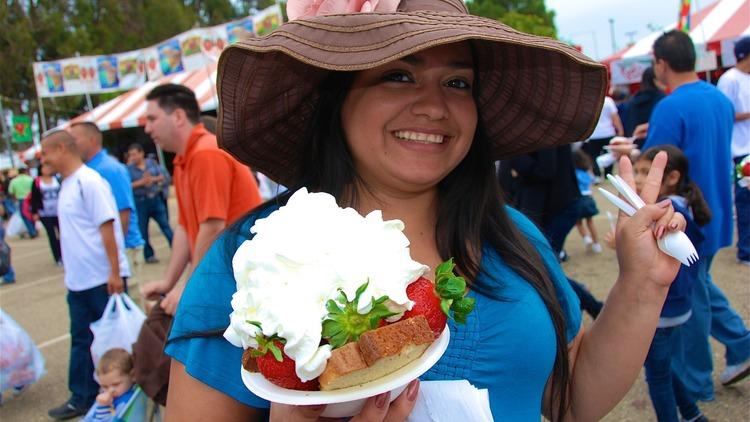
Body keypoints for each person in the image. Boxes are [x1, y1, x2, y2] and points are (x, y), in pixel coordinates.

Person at [164, 1, 690, 420]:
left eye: (458, 83)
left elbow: (569, 402)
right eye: (399, 74)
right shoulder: (254, 262)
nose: (435, 106)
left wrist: (640, 286)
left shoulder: (516, 238)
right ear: (336, 97)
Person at [636, 30, 750, 399]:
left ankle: (698, 382)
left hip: (681, 220)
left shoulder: (670, 106)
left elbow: (656, 168)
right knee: (701, 285)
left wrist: (631, 149)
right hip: (714, 211)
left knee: (693, 300)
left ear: (661, 64)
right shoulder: (718, 97)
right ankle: (743, 344)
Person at [606, 146, 710, 422]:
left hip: (661, 311)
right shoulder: (680, 203)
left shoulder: (669, 209)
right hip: (678, 308)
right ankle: (692, 413)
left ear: (673, 177)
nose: (638, 179)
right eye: (636, 171)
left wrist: (670, 222)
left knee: (658, 375)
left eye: (645, 172)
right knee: (663, 365)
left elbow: (674, 226)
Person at [139, 84, 262, 315]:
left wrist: (188, 287)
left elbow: (212, 226)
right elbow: (185, 229)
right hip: (223, 272)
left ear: (177, 116)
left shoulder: (205, 153)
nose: (147, 128)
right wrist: (168, 283)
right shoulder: (183, 159)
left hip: (239, 278)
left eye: (152, 119)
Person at [40, 130, 131, 420]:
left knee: (112, 340)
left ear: (63, 148)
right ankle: (82, 396)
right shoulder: (67, 183)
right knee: (81, 338)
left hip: (101, 278)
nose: (43, 160)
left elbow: (107, 226)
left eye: (46, 153)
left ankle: (126, 390)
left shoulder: (89, 181)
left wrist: (115, 272)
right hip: (79, 281)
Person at [68, 122, 146, 282]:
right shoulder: (84, 171)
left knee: (129, 301)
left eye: (74, 139)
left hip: (125, 248)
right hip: (107, 254)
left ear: (92, 140)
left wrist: (117, 258)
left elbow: (123, 213)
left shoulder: (109, 169)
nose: (71, 145)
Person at [717, 36, 750, 266]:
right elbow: (724, 114)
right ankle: (745, 250)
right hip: (740, 150)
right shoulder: (729, 80)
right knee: (745, 203)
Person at [126, 143, 173, 264]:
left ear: (141, 153)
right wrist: (141, 182)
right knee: (143, 229)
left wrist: (153, 180)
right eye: (131, 155)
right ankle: (149, 255)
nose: (133, 157)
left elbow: (164, 176)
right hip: (140, 202)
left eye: (135, 154)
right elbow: (126, 186)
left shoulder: (152, 164)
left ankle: (175, 248)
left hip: (155, 198)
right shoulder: (128, 170)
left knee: (165, 226)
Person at [82, 348, 140, 422]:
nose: (110, 390)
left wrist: (102, 406)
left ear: (133, 376)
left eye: (116, 384)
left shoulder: (125, 403)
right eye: (104, 386)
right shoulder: (109, 396)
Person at [583, 95, 624, 178]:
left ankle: (597, 174)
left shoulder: (588, 101)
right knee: (609, 154)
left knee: (593, 156)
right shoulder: (608, 101)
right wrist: (620, 130)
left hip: (593, 134)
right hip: (608, 133)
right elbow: (615, 117)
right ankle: (607, 175)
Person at [30, 163, 62, 266]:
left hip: (58, 211)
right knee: (52, 235)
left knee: (63, 234)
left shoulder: (56, 179)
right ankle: (57, 257)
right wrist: (35, 212)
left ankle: (65, 254)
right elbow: (34, 198)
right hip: (45, 213)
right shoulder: (37, 182)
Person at [624, 67, 665, 142]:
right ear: (655, 81)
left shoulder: (634, 99)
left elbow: (628, 124)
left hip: (636, 142)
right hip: (657, 143)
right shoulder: (662, 99)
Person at [572, 149, 602, 254]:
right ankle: (597, 244)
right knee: (590, 222)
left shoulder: (573, 173)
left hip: (578, 199)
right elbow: (593, 180)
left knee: (578, 222)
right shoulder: (586, 172)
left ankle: (586, 237)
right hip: (589, 199)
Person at [7, 168, 37, 238]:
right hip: (31, 199)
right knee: (32, 214)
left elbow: (11, 192)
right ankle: (33, 229)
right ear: (25, 172)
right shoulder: (30, 179)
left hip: (21, 200)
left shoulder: (14, 181)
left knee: (25, 216)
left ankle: (32, 231)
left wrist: (14, 199)